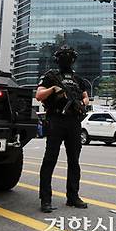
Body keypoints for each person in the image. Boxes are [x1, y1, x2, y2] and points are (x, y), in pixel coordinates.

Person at [35, 45, 89, 213]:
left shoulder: (78, 79)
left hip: (73, 122)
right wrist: (53, 89)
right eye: (63, 56)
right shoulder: (51, 77)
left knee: (74, 160)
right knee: (50, 159)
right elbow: (38, 95)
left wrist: (81, 103)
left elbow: (86, 97)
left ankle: (73, 197)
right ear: (57, 59)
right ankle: (45, 199)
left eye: (69, 56)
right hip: (56, 119)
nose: (67, 59)